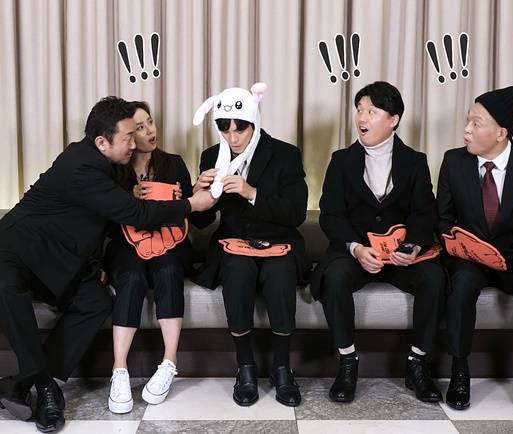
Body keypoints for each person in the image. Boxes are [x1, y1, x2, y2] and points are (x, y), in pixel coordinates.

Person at [0, 96, 215, 432]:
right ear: (102, 142)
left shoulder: (113, 165)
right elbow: (135, 214)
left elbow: (89, 223)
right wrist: (191, 204)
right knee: (9, 293)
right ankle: (45, 388)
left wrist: (94, 263)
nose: (134, 143)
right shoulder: (81, 166)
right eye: (128, 137)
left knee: (96, 302)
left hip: (57, 259)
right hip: (14, 251)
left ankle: (24, 382)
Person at [312, 81, 447, 404]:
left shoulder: (414, 161)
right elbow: (330, 215)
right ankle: (347, 362)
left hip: (399, 256)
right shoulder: (341, 160)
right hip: (357, 253)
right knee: (334, 277)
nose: (362, 118)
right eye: (360, 110)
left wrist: (413, 246)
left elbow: (424, 213)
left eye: (372, 111)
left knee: (434, 277)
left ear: (393, 119)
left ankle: (417, 363)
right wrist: (356, 248)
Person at [437, 86, 513, 411]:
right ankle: (459, 371)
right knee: (461, 283)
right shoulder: (453, 161)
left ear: (501, 133)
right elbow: (443, 219)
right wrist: (456, 243)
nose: (467, 129)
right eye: (468, 121)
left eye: (476, 123)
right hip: (470, 258)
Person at [191, 83, 310, 407]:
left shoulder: (285, 154)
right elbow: (201, 222)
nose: (232, 137)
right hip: (233, 245)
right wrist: (198, 194)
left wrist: (251, 192)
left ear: (254, 122)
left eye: (240, 128)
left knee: (280, 272)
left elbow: (296, 213)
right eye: (224, 128)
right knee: (237, 270)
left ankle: (282, 368)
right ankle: (245, 367)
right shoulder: (211, 156)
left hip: (279, 242)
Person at [105, 101, 199, 413]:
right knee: (131, 277)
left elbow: (197, 218)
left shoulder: (174, 163)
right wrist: (127, 201)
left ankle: (169, 362)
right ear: (127, 136)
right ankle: (119, 369)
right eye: (139, 128)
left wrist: (191, 197)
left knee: (169, 270)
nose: (149, 131)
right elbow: (103, 222)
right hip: (127, 245)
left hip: (170, 242)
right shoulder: (114, 170)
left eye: (150, 123)